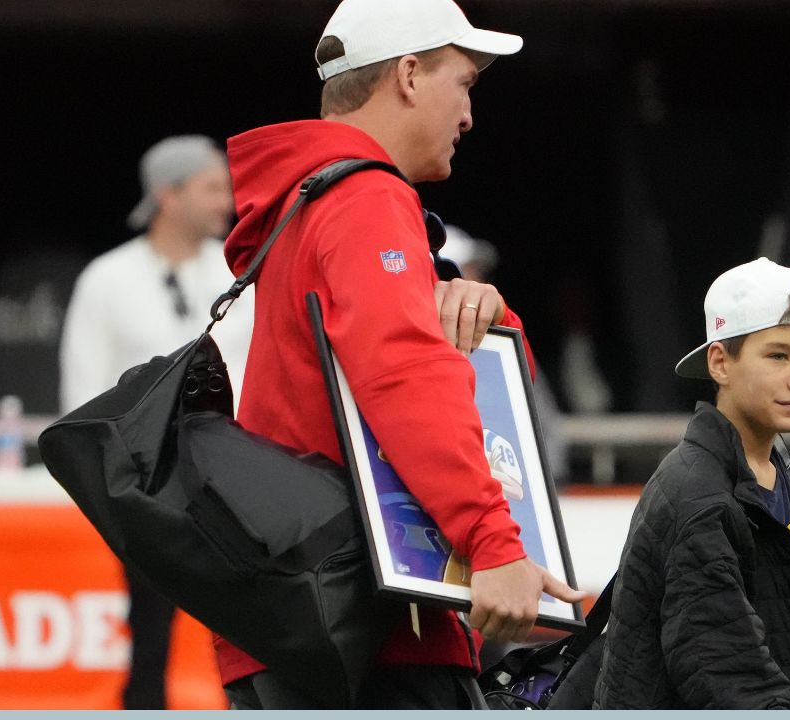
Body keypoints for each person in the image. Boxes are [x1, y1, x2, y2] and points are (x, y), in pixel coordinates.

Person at [215, 0, 583, 709]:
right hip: (373, 627)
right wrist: (492, 542)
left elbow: (455, 378)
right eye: (466, 83)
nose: (470, 114)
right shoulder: (365, 197)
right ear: (409, 75)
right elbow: (405, 376)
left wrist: (493, 318)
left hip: (309, 613)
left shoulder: (314, 198)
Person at [594, 257, 790, 709]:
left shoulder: (775, 475)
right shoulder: (698, 495)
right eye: (778, 355)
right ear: (719, 363)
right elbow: (730, 678)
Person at [59, 135, 252, 709]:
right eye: (213, 187)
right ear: (169, 196)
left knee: (251, 625)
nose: (228, 201)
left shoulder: (239, 269)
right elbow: (83, 389)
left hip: (240, 476)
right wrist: (114, 483)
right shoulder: (107, 279)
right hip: (149, 482)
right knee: (149, 629)